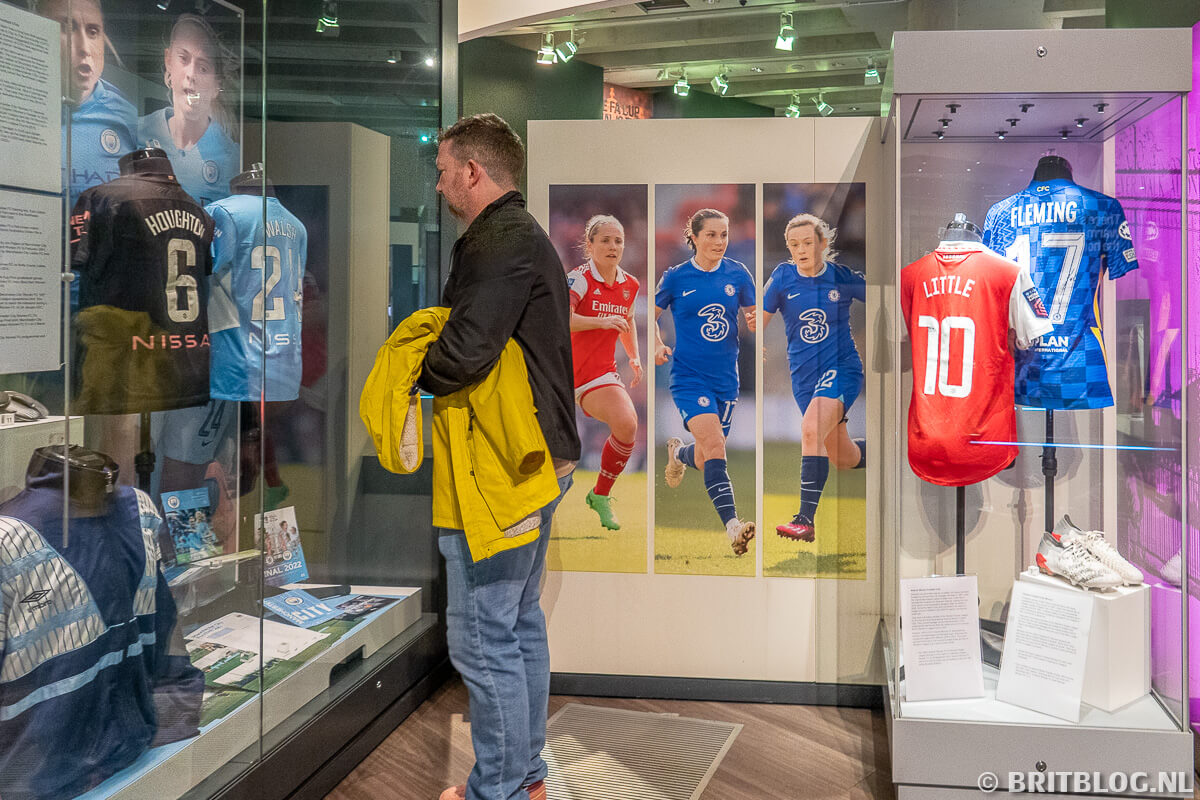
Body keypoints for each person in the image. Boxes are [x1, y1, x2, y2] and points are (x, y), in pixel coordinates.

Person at [420, 113, 579, 800]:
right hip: (534, 462)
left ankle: (503, 789)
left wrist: (405, 361)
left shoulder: (498, 243)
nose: (439, 184)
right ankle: (521, 777)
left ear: (473, 173)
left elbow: (461, 354)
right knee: (515, 624)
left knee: (484, 638)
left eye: (443, 170)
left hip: (504, 470)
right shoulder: (520, 237)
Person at [655, 208, 757, 555]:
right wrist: (656, 342)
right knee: (716, 448)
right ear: (694, 237)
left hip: (726, 381)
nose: (719, 241)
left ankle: (677, 454)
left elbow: (754, 317)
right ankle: (734, 528)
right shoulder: (675, 277)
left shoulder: (740, 274)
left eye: (724, 234)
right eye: (711, 234)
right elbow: (651, 316)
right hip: (688, 378)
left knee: (703, 456)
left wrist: (758, 323)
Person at [762, 214, 865, 543]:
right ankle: (889, 455)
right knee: (842, 457)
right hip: (803, 378)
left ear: (822, 243)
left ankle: (805, 520)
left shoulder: (841, 277)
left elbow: (886, 298)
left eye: (807, 243)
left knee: (809, 430)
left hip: (842, 368)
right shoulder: (781, 277)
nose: (801, 250)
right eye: (794, 245)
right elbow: (756, 320)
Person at [566, 215, 642, 530]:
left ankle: (601, 494)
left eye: (618, 241)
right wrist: (601, 322)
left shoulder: (630, 285)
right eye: (605, 240)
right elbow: (562, 318)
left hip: (597, 375)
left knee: (627, 425)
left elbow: (627, 320)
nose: (613, 246)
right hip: (557, 373)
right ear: (590, 245)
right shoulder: (579, 279)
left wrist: (635, 356)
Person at [138, 14, 239, 206]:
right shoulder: (136, 133)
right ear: (168, 60)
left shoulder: (231, 157)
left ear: (217, 85)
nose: (191, 74)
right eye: (183, 58)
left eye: (203, 68)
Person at [43, 0, 136, 207]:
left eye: (93, 31)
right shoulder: (15, 108)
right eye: (66, 28)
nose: (84, 48)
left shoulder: (128, 119)